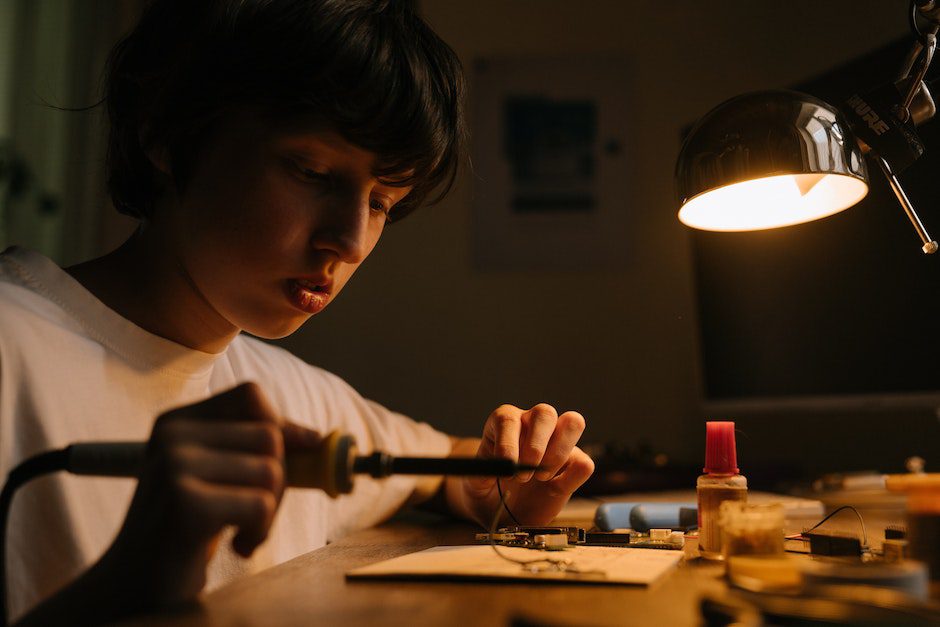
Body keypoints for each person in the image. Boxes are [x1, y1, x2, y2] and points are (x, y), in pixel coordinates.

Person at [0, 1, 595, 625]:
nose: (351, 240)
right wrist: (124, 589)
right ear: (164, 130)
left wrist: (489, 483)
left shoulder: (289, 395)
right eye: (310, 172)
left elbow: (437, 464)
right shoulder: (16, 351)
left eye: (383, 202)